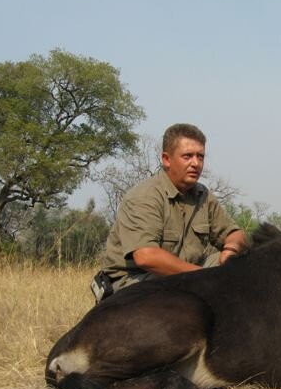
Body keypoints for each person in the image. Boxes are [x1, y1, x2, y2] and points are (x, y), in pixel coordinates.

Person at [91, 123, 248, 302]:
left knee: (243, 267)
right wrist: (206, 278)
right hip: (137, 279)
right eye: (187, 156)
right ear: (166, 159)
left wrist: (231, 249)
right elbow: (146, 257)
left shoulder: (203, 195)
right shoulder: (145, 196)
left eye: (200, 156)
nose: (196, 163)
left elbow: (236, 234)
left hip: (187, 274)